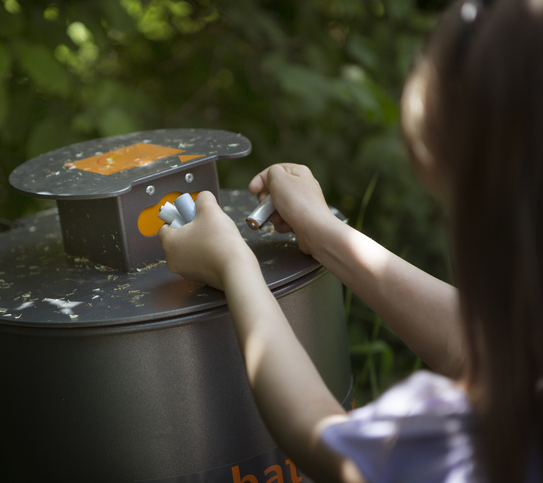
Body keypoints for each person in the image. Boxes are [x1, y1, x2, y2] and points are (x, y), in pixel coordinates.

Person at [157, 0, 543, 481]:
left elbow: (324, 438)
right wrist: (324, 232)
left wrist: (233, 265)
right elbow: (481, 345)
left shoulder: (466, 442)